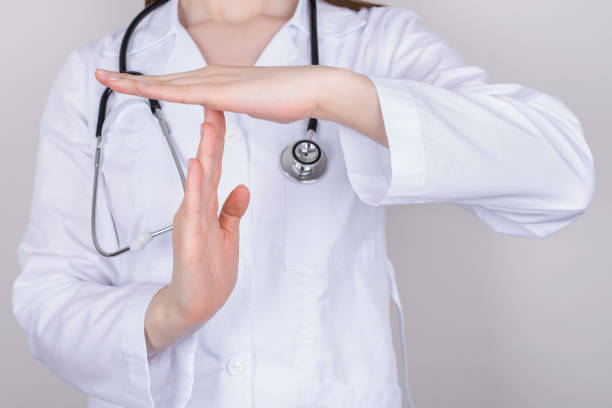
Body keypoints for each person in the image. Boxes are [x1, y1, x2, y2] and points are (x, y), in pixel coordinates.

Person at [12, 0, 595, 407]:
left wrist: (332, 92)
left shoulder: (375, 41)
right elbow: (48, 301)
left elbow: (561, 172)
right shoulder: (98, 72)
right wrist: (170, 314)